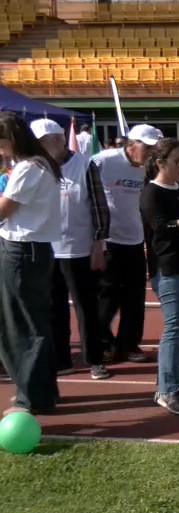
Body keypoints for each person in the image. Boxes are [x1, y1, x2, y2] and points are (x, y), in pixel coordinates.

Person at [30, 119, 112, 381]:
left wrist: (99, 244)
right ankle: (62, 360)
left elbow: (99, 207)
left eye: (42, 143)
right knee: (54, 308)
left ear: (57, 139)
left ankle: (95, 360)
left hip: (78, 248)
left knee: (86, 307)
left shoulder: (84, 164)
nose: (39, 149)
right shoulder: (37, 167)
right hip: (47, 248)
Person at [0, 112, 64, 416]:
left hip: (22, 251)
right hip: (31, 250)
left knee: (22, 326)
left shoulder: (29, 168)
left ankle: (32, 395)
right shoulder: (40, 165)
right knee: (31, 323)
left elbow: (4, 209)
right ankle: (40, 391)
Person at [140, 138, 179, 416]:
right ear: (160, 163)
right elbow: (165, 229)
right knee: (174, 328)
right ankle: (166, 390)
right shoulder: (151, 194)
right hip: (167, 268)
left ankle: (176, 381)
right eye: (177, 161)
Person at [94, 124, 162, 363]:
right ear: (132, 144)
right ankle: (102, 343)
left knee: (135, 298)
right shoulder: (103, 161)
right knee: (106, 295)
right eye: (149, 147)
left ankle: (129, 344)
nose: (152, 153)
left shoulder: (149, 168)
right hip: (109, 240)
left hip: (135, 239)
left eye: (155, 148)